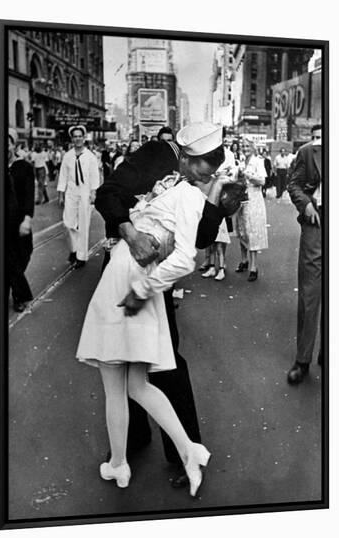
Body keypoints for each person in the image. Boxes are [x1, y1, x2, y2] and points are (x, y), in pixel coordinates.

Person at [94, 122, 238, 490]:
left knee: (162, 362)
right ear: (186, 155)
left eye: (215, 163)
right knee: (127, 364)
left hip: (153, 278)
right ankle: (131, 443)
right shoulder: (156, 155)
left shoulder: (200, 183)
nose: (208, 171)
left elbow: (202, 237)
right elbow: (107, 193)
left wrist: (221, 207)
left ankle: (182, 452)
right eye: (204, 163)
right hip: (127, 263)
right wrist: (130, 232)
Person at [286, 124, 322, 384]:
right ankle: (303, 360)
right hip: (317, 224)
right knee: (310, 294)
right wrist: (307, 204)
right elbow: (294, 184)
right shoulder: (309, 152)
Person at [57, 125, 100, 268]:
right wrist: (61, 194)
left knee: (83, 224)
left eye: (80, 136)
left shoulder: (90, 157)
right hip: (71, 192)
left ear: (84, 137)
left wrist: (93, 192)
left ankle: (81, 256)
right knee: (68, 223)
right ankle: (74, 249)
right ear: (72, 138)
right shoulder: (68, 156)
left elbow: (95, 176)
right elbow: (63, 176)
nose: (77, 139)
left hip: (85, 192)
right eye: (75, 136)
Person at [7, 128, 35, 312]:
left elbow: (28, 195)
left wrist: (27, 219)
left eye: (7, 142)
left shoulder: (24, 167)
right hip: (1, 223)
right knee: (9, 259)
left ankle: (15, 288)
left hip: (19, 221)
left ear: (13, 145)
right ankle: (20, 296)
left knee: (24, 254)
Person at [201, 138, 236, 281]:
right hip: (208, 196)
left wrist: (223, 176)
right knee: (209, 235)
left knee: (220, 237)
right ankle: (210, 265)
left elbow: (233, 176)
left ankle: (221, 267)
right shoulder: (207, 155)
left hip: (222, 199)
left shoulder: (229, 155)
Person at [234, 138, 268, 281]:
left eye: (247, 146)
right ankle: (244, 260)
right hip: (242, 200)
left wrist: (248, 175)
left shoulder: (258, 161)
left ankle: (254, 267)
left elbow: (262, 181)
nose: (245, 148)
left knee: (252, 231)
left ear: (253, 148)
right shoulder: (241, 161)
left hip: (254, 200)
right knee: (242, 231)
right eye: (243, 146)